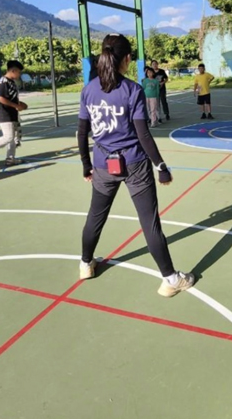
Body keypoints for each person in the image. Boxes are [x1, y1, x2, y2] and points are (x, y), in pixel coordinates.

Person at [77, 34, 195, 297]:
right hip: (135, 165)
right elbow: (143, 134)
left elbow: (82, 131)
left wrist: (86, 164)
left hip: (102, 164)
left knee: (95, 217)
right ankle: (171, 279)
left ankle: (85, 264)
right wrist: (160, 166)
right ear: (128, 58)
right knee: (149, 223)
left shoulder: (88, 90)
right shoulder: (132, 90)